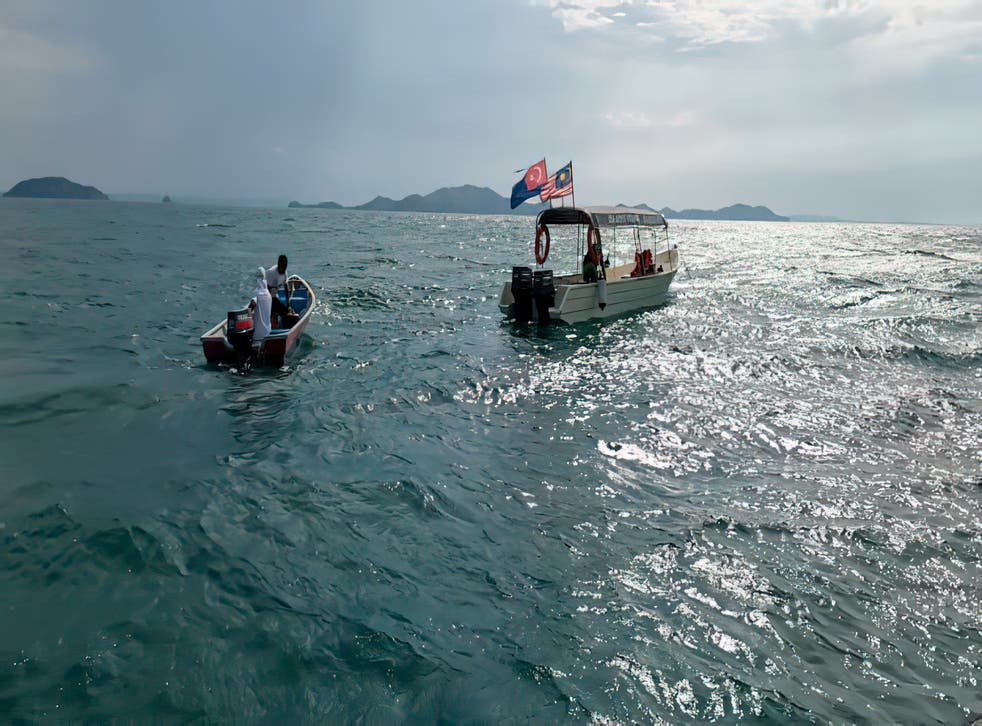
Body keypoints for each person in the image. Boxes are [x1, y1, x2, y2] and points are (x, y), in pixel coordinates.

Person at [248, 267, 272, 350]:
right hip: (267, 333)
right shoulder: (268, 293)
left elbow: (253, 303)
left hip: (257, 335)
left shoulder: (257, 292)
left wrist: (247, 313)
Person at [265, 254, 292, 326]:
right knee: (279, 309)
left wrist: (288, 303)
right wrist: (274, 299)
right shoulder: (272, 273)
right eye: (281, 266)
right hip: (265, 294)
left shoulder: (285, 272)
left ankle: (286, 327)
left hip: (273, 293)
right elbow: (267, 288)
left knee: (285, 309)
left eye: (284, 266)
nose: (283, 268)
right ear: (278, 264)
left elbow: (286, 286)